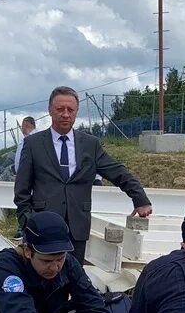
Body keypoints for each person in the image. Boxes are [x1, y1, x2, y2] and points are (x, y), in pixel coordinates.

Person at [15, 86, 152, 263]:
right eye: (60, 109)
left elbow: (117, 171)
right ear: (50, 110)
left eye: (70, 110)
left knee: (72, 278)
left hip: (77, 228)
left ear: (76, 111)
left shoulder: (90, 144)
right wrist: (28, 222)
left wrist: (140, 198)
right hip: (42, 227)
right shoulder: (33, 144)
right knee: (40, 282)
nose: (65, 114)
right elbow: (21, 191)